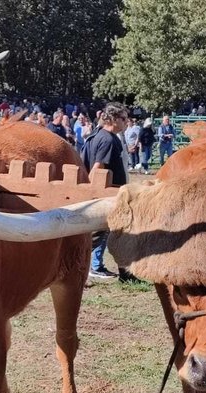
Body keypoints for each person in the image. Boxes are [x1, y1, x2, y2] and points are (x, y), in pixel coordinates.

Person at [81, 102, 128, 279]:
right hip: (105, 192)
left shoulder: (99, 135)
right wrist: (92, 195)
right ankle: (91, 266)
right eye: (123, 118)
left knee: (104, 230)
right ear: (114, 119)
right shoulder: (107, 139)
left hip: (110, 191)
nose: (126, 122)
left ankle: (95, 265)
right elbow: (97, 168)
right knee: (100, 230)